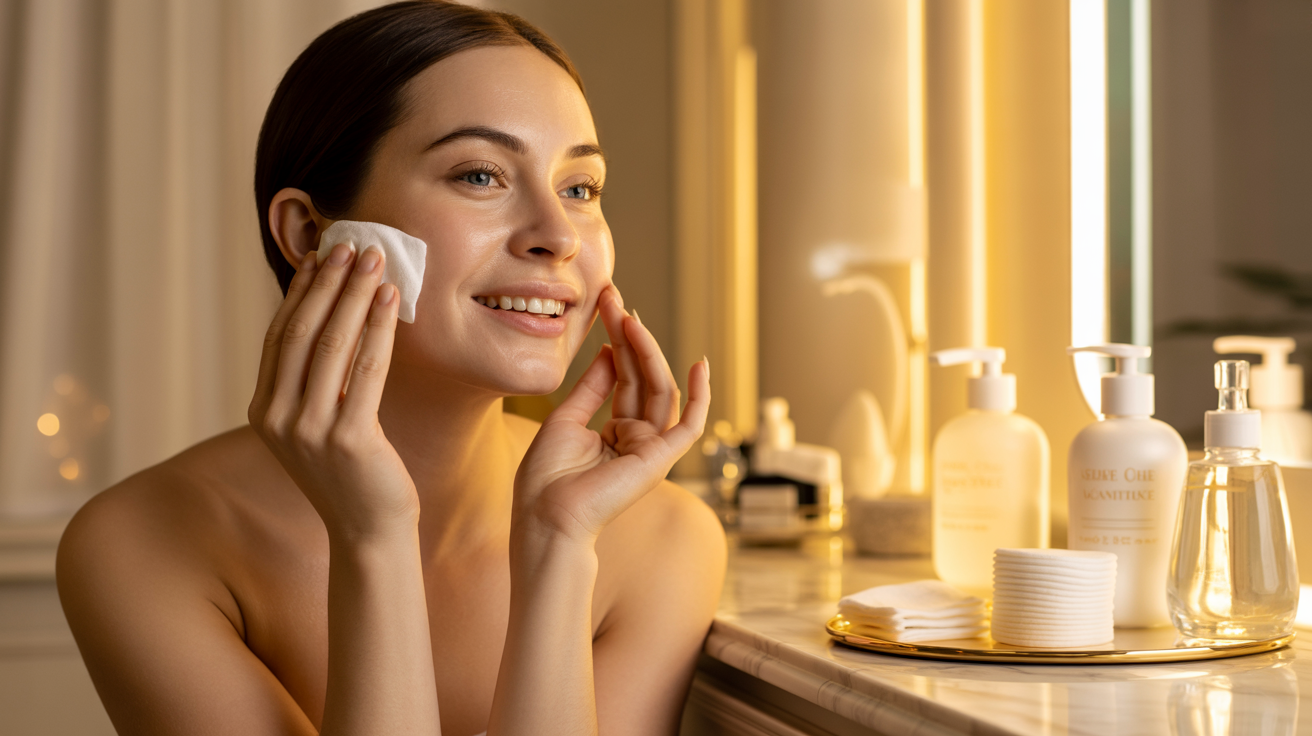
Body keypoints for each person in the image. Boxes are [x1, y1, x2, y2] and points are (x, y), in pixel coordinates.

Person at [56, 3, 726, 734]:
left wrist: (560, 546)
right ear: (312, 233)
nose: (558, 236)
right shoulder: (139, 545)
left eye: (580, 188)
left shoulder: (660, 542)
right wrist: (373, 539)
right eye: (479, 175)